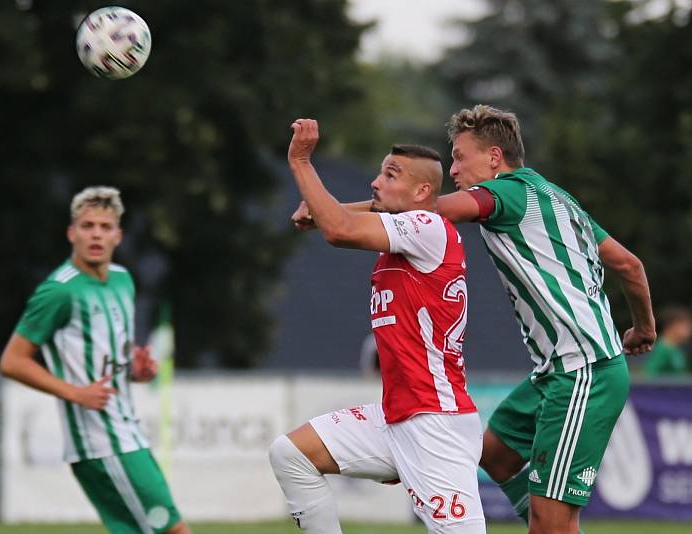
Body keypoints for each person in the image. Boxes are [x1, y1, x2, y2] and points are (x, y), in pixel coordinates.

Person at [293, 105, 656, 534]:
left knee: (552, 523)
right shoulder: (558, 199)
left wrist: (330, 210)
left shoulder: (504, 193)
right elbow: (629, 265)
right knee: (494, 456)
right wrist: (644, 327)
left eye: (461, 157)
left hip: (584, 371)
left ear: (495, 159)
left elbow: (426, 206)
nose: (455, 167)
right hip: (557, 371)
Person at [270, 119, 486, 533]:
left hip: (434, 423)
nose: (374, 182)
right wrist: (321, 210)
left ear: (422, 192)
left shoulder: (428, 228)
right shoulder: (411, 232)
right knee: (290, 454)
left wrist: (301, 163)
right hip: (397, 417)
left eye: (390, 175)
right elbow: (357, 215)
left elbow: (340, 230)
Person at [0, 186, 190, 534]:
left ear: (118, 235)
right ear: (72, 233)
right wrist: (74, 393)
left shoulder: (122, 280)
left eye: (105, 227)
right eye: (87, 226)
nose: (96, 234)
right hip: (102, 442)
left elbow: (110, 356)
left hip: (128, 431)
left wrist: (136, 370)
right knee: (173, 531)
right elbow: (12, 361)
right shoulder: (59, 291)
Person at [644, 306, 692, 376]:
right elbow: (649, 375)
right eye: (685, 325)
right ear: (673, 325)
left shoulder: (676, 349)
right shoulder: (662, 349)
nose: (691, 329)